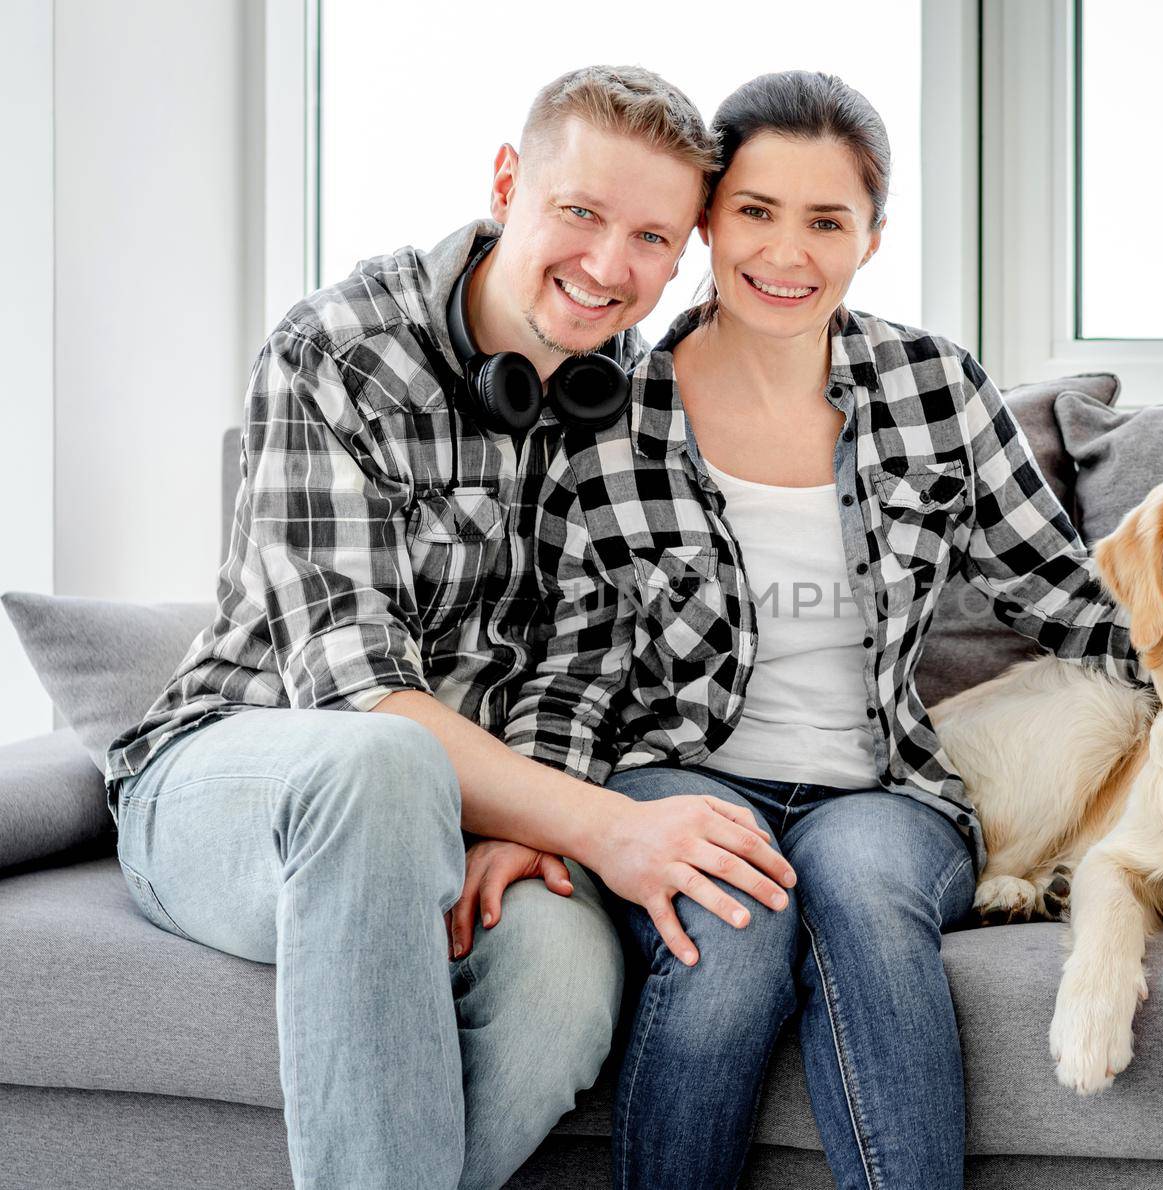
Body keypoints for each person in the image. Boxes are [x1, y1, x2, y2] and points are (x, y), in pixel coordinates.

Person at [102, 66, 795, 1190]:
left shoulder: (630, 405)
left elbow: (580, 670)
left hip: (479, 810)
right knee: (378, 768)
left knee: (567, 989)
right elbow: (355, 694)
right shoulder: (335, 351)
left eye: (652, 237)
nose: (609, 267)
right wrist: (604, 826)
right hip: (245, 778)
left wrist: (531, 816)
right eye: (580, 212)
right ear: (507, 182)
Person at [514, 71, 1146, 1189]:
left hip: (880, 788)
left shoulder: (934, 388)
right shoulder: (609, 406)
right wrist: (530, 812)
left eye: (826, 220)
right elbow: (574, 660)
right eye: (755, 211)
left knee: (856, 886)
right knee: (735, 928)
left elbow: (1064, 597)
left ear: (873, 236)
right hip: (680, 771)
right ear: (708, 219)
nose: (785, 252)